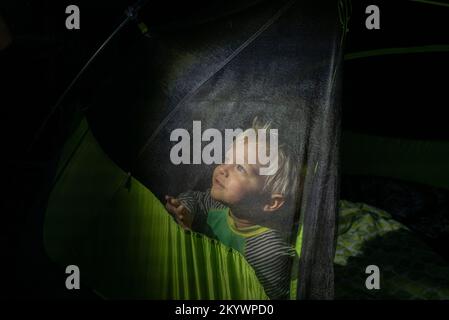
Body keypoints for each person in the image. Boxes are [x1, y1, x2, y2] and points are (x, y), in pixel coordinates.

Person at [165, 118, 300, 299]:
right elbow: (193, 197)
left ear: (270, 203)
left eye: (240, 168)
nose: (223, 168)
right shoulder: (216, 205)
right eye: (227, 158)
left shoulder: (269, 251)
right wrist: (184, 210)